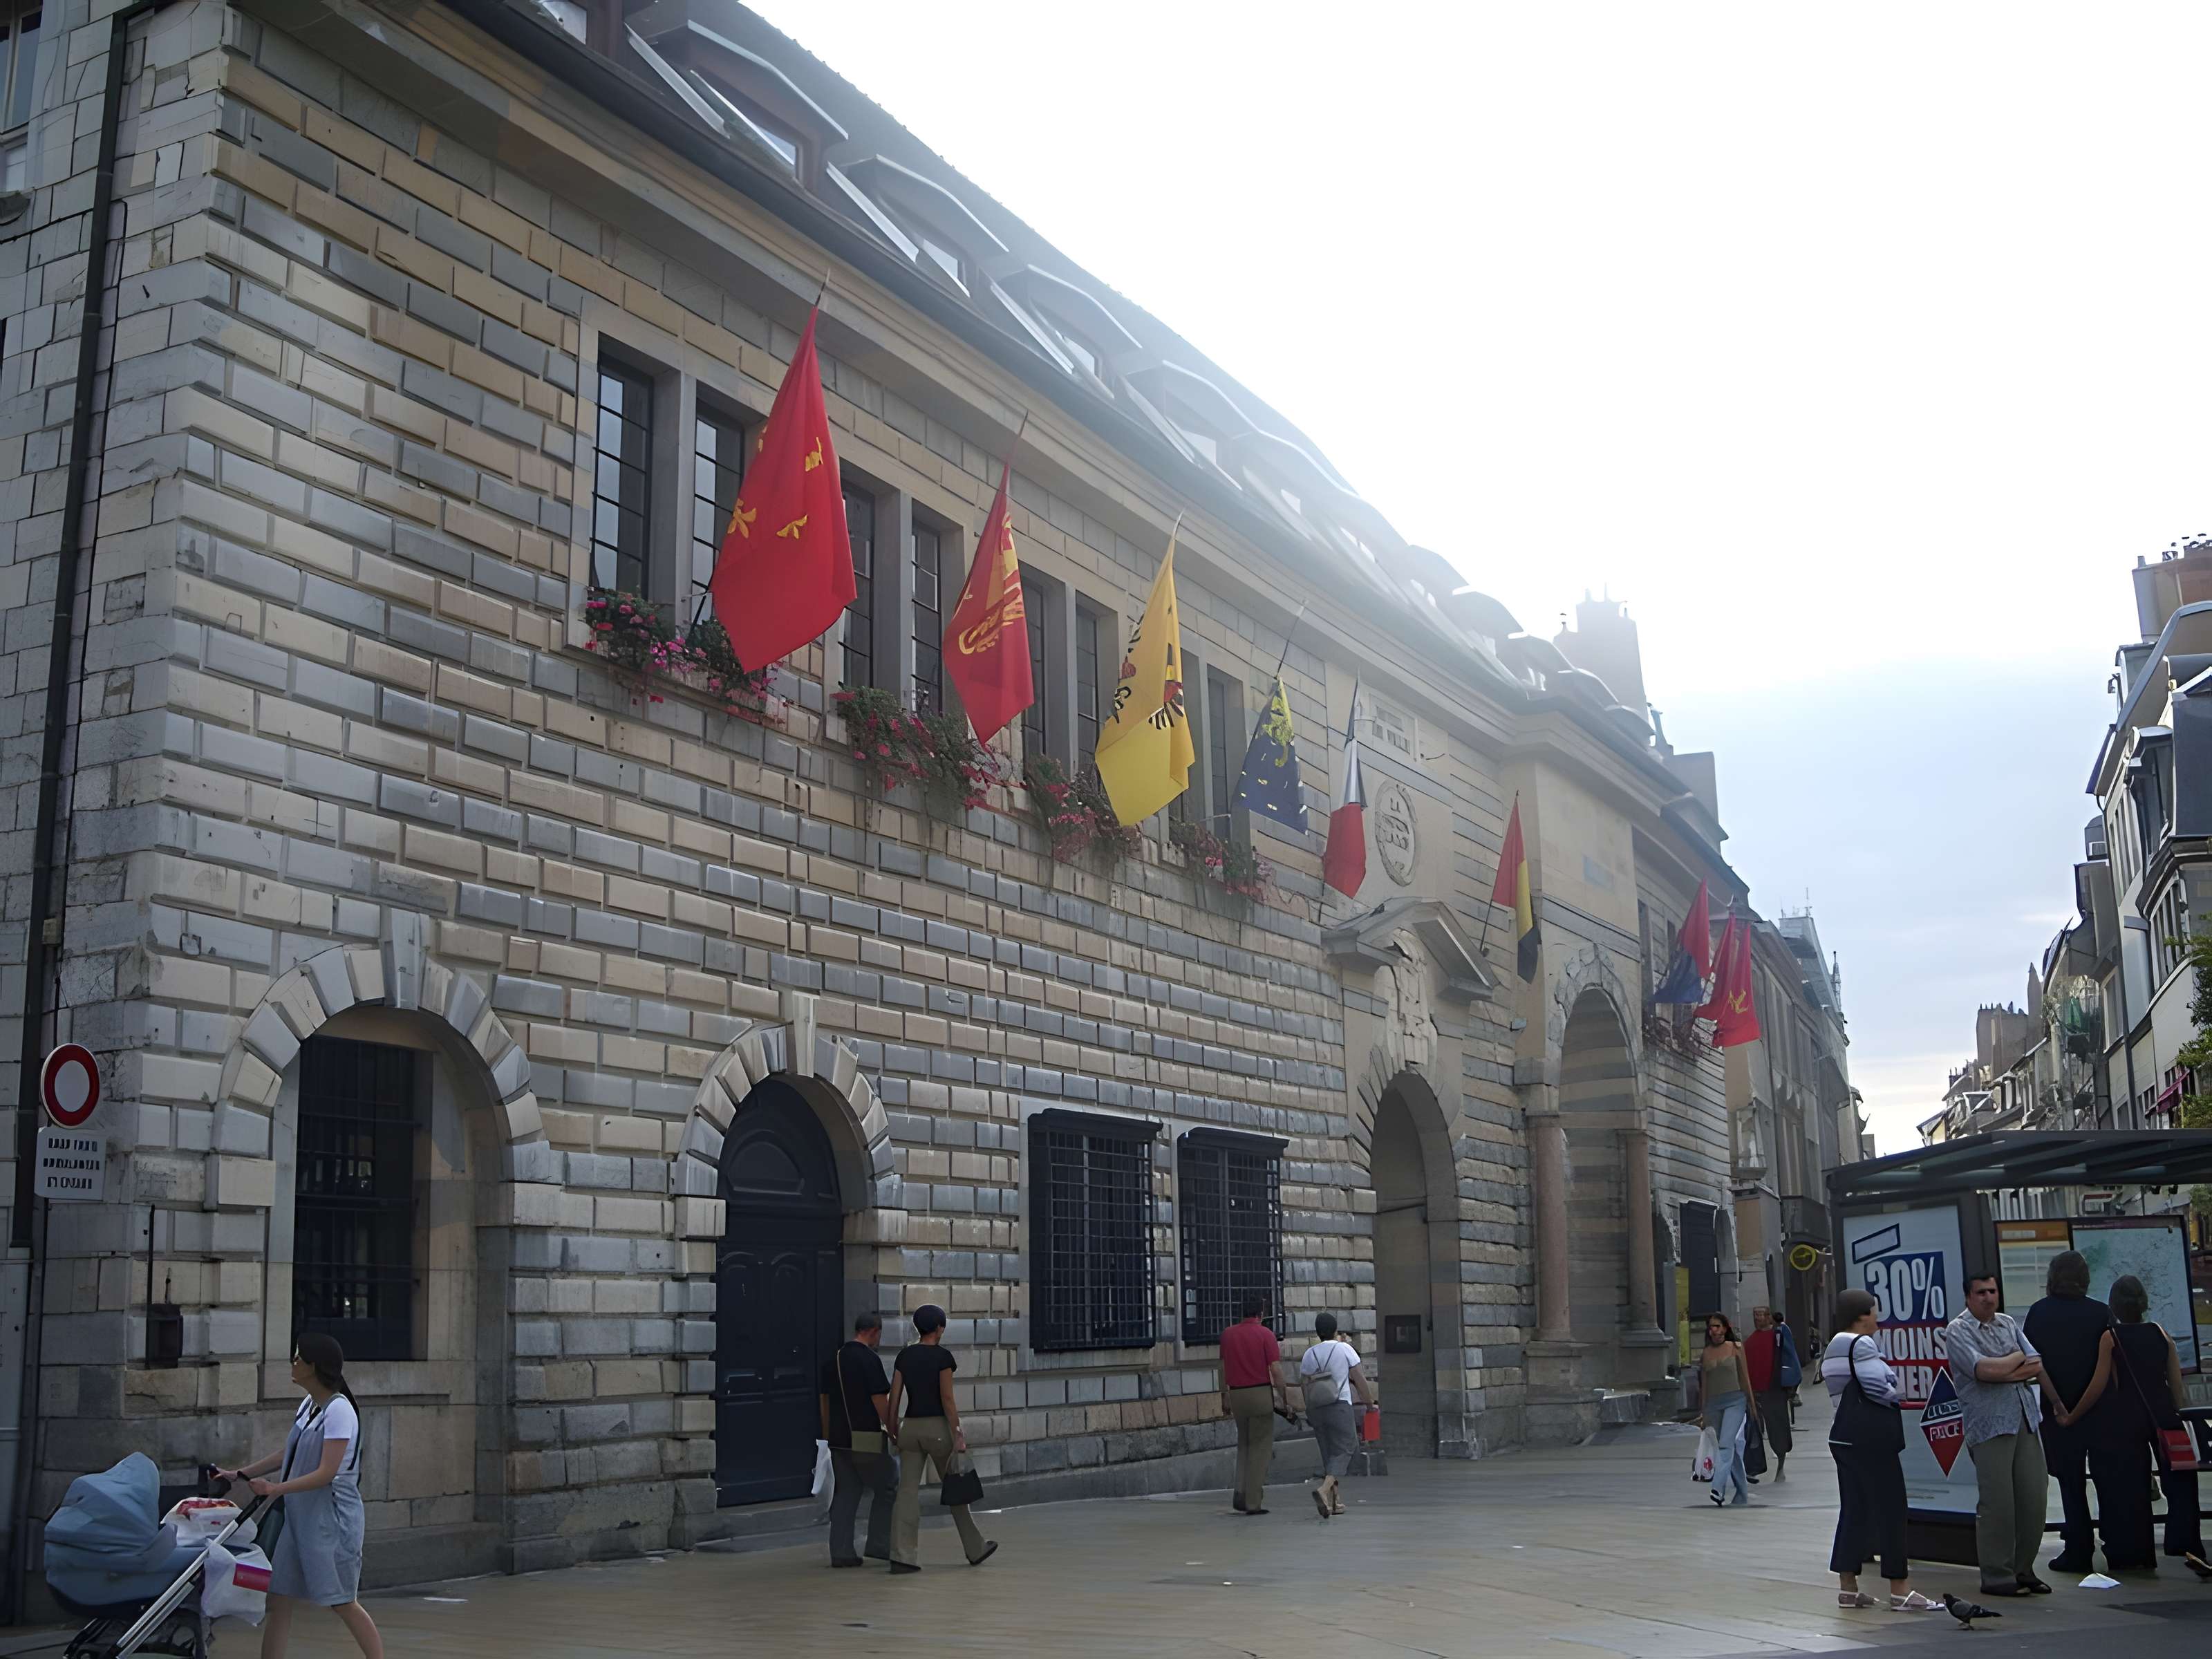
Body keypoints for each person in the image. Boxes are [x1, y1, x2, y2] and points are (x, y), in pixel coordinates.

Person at [215, 1333, 381, 1658]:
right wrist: (243, 1473)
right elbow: (288, 1452)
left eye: (298, 1359)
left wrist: (275, 1489)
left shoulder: (339, 1411)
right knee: (278, 1599)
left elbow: (326, 1473)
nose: (292, 1364)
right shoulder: (310, 1406)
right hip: (298, 1517)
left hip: (331, 1521)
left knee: (342, 1601)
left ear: (314, 1367)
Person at [1824, 1289, 1942, 1613]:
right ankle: (1900, 1589)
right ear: (1862, 1315)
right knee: (1892, 1509)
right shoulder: (1861, 1344)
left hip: (1844, 1437)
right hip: (1872, 1439)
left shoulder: (1835, 1344)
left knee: (1854, 1510)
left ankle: (1848, 1588)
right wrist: (1896, 1388)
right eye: (1875, 1311)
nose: (1878, 1317)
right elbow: (1882, 1387)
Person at [2047, 1275, 2174, 1571]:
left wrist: (2070, 1416)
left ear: (2114, 1305)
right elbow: (2175, 1385)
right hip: (2157, 1419)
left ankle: (2122, 1551)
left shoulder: (2111, 1337)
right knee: (2144, 1486)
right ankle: (2145, 1554)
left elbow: (2098, 1385)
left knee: (2119, 1488)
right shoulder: (2160, 1333)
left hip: (2122, 1424)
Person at [1942, 1273, 2052, 1597]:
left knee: (2034, 1497)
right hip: (1989, 1424)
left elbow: (2036, 1363)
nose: (1989, 1297)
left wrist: (2005, 1368)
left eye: (1992, 1291)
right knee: (1998, 1503)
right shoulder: (1958, 1330)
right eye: (1981, 1293)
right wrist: (2014, 1362)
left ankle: (2024, 1568)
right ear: (1968, 1297)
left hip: (2024, 1418)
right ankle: (1997, 1574)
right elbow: (1981, 1371)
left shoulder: (2007, 1322)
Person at [886, 1304, 996, 1573]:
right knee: (955, 1489)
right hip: (937, 1430)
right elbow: (947, 1398)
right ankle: (975, 1548)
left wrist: (892, 1428)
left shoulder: (904, 1356)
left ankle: (902, 1555)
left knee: (907, 1492)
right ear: (939, 1328)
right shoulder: (943, 1358)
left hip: (909, 1428)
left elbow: (895, 1396)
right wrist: (957, 1432)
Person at [2024, 1250, 2115, 1573]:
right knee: (2106, 1479)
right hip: (2100, 1409)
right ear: (2085, 1279)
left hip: (2057, 1410)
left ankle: (2078, 1549)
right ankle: (2116, 1544)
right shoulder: (2102, 1313)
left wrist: (2060, 1405)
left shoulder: (2038, 1313)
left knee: (2070, 1483)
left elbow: (2033, 1363)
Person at [819, 1311, 894, 1568]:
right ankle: (879, 1544)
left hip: (839, 1438)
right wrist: (893, 1428)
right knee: (887, 1485)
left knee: (847, 1491)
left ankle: (841, 1552)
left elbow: (825, 1401)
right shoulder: (869, 1359)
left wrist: (828, 1435)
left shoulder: (835, 1359)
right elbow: (879, 1401)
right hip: (865, 1436)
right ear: (874, 1331)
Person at [1296, 1312, 1374, 1520]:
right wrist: (1370, 1404)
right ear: (1335, 1330)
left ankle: (1334, 1501)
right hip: (1339, 1405)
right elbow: (1359, 1379)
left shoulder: (1309, 1355)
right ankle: (1323, 1490)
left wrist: (1308, 1409)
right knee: (1348, 1446)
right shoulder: (1344, 1348)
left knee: (1329, 1452)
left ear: (1317, 1332)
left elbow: (1304, 1385)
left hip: (1316, 1408)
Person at [1219, 1295, 1292, 1516]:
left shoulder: (1228, 1335)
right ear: (1261, 1313)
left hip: (1237, 1395)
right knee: (1260, 1449)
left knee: (1244, 1445)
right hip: (1260, 1393)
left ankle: (1240, 1495)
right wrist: (1284, 1398)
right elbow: (1276, 1371)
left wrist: (1224, 1396)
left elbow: (1222, 1368)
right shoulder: (1265, 1334)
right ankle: (1253, 1502)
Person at [1698, 1313, 1760, 1508]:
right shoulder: (1706, 1353)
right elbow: (1704, 1385)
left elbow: (1745, 1378)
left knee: (1726, 1445)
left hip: (1736, 1400)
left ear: (1725, 1328)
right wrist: (1703, 1412)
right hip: (1713, 1405)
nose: (1714, 1330)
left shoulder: (1736, 1348)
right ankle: (1742, 1494)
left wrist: (1752, 1404)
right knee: (1726, 1449)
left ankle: (1718, 1487)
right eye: (1711, 1327)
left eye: (1717, 1326)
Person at [1745, 1309, 1795, 1481]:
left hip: (1774, 1389)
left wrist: (1791, 1385)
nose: (1757, 1318)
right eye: (1755, 1316)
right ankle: (1752, 1467)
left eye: (1760, 1315)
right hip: (1754, 1392)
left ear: (1769, 1317)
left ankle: (1781, 1465)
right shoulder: (1750, 1341)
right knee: (1753, 1431)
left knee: (1778, 1429)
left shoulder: (1779, 1336)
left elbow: (1790, 1358)